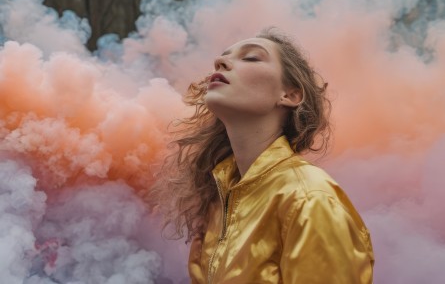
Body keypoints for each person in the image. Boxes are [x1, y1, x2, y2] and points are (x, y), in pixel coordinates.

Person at [151, 27, 374, 284]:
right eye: (223, 57)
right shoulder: (217, 202)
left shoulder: (309, 198)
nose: (219, 62)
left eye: (251, 58)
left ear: (289, 95)